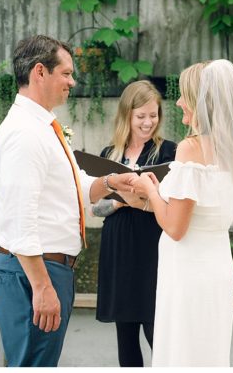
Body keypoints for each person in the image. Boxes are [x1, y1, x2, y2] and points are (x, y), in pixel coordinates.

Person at [0, 34, 132, 366]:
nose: (72, 81)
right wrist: (41, 287)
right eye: (66, 73)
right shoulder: (25, 134)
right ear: (40, 72)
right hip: (33, 274)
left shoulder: (42, 126)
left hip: (47, 271)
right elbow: (19, 218)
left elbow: (72, 188)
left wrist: (111, 182)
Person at [122, 59, 233, 366]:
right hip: (217, 264)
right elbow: (203, 208)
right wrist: (152, 198)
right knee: (209, 354)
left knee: (182, 353)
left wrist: (149, 188)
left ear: (201, 101)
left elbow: (176, 228)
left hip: (187, 269)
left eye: (184, 95)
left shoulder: (190, 148)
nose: (177, 102)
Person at [92, 80, 177, 366]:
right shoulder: (109, 154)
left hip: (153, 251)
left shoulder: (169, 152)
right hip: (119, 252)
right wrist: (121, 200)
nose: (148, 122)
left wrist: (134, 199)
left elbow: (172, 206)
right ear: (127, 115)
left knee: (158, 334)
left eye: (153, 116)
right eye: (141, 116)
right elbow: (96, 208)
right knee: (125, 336)